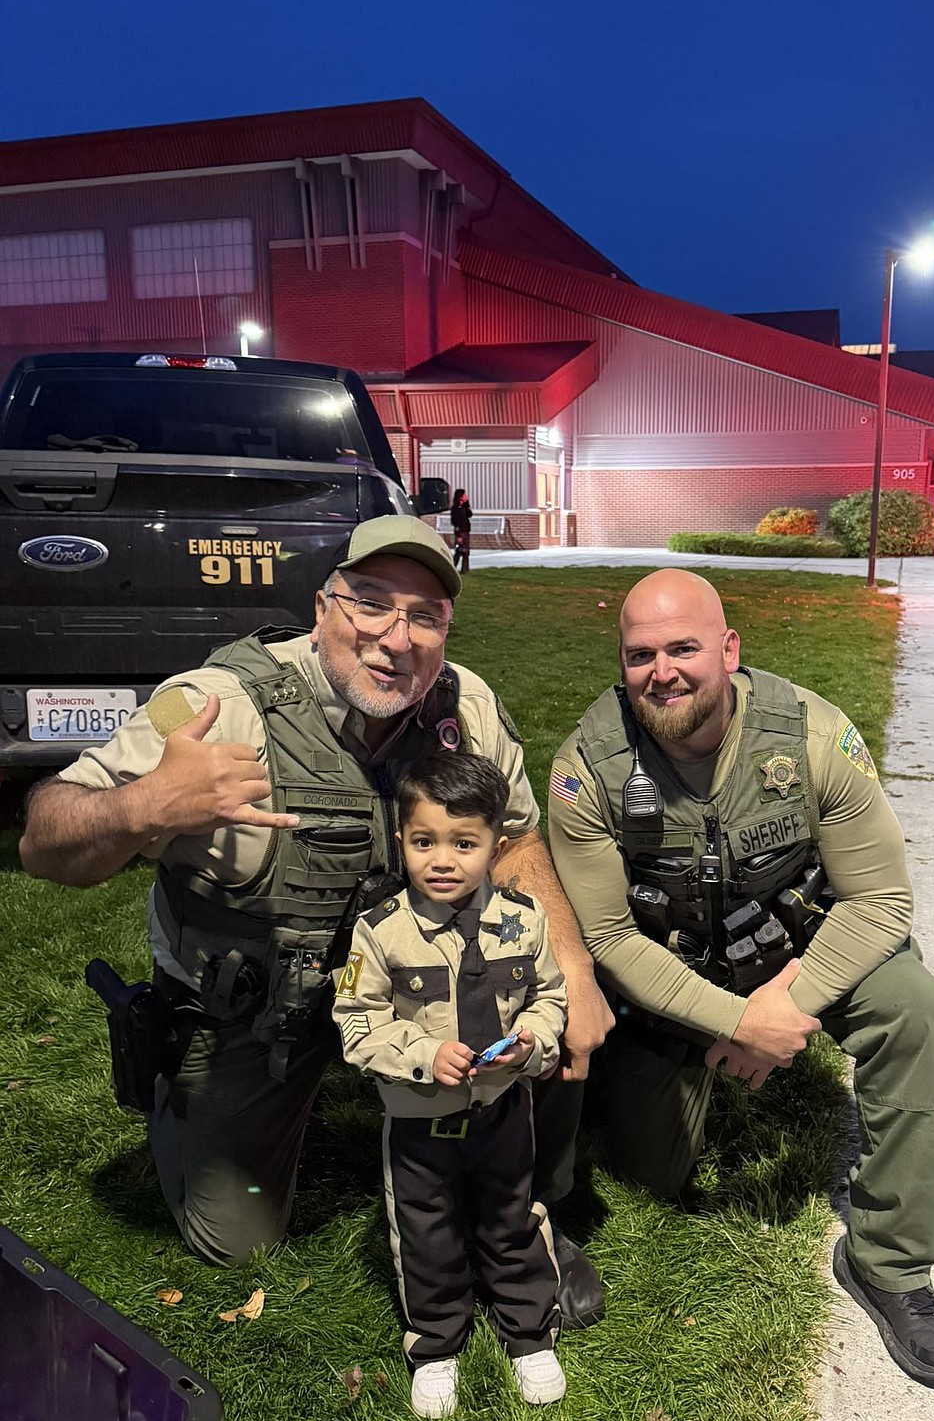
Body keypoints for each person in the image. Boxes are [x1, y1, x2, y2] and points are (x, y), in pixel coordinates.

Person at [19, 516, 612, 1328]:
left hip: (412, 978)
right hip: (261, 1011)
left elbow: (511, 838)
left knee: (542, 1006)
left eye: (425, 615)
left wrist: (574, 970)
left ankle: (518, 1213)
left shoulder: (462, 704)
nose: (395, 638)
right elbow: (45, 839)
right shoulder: (215, 708)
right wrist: (146, 804)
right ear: (322, 606)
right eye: (370, 603)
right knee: (237, 1241)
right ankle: (178, 1083)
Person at [546, 569, 934, 1390]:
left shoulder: (811, 736)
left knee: (915, 1009)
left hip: (798, 955)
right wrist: (734, 1023)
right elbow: (604, 936)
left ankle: (891, 1264)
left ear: (729, 650)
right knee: (649, 1174)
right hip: (674, 986)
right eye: (640, 654)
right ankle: (635, 1091)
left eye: (683, 648)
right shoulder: (587, 769)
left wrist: (784, 1006)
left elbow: (880, 901)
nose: (662, 671)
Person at [335, 751, 567, 1418]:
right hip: (418, 1122)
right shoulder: (379, 934)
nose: (443, 860)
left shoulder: (524, 921)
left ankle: (528, 1333)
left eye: (464, 843)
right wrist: (423, 1054)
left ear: (495, 845)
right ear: (400, 841)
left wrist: (531, 1043)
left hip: (502, 1112)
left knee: (513, 1219)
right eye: (423, 841)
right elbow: (356, 1023)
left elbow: (548, 999)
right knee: (426, 1233)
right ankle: (436, 1346)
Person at [450, 488, 472, 575]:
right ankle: (453, 567)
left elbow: (470, 515)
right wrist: (458, 536)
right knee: (460, 550)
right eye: (464, 495)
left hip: (466, 530)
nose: (465, 496)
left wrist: (466, 506)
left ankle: (465, 569)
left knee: (466, 551)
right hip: (460, 531)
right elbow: (455, 522)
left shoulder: (464, 507)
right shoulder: (455, 508)